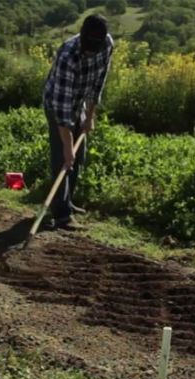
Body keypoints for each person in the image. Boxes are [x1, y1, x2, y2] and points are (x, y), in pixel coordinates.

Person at [42, 14, 114, 230]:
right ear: (82, 37)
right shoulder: (68, 56)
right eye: (88, 45)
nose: (92, 50)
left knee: (78, 155)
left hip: (80, 102)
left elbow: (98, 84)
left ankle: (67, 202)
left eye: (96, 45)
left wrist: (89, 117)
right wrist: (66, 145)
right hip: (57, 104)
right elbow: (62, 110)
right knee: (63, 158)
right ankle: (62, 215)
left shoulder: (107, 45)